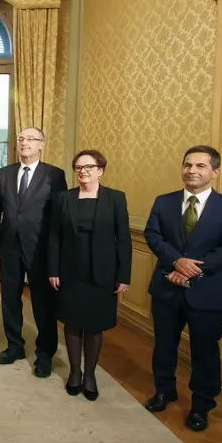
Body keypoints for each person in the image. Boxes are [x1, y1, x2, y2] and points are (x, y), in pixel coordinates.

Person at [143, 145, 222, 431]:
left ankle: (201, 405)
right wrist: (176, 261)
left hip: (208, 292)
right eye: (188, 165)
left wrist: (193, 268)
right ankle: (164, 391)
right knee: (164, 345)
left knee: (205, 350)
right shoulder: (164, 202)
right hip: (166, 287)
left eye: (201, 166)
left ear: (215, 172)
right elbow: (153, 235)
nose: (192, 171)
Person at [48, 150, 131, 401]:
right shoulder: (64, 198)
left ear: (100, 171)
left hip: (103, 273)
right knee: (72, 323)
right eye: (79, 167)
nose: (83, 171)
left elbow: (123, 239)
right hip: (70, 271)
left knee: (95, 325)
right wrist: (53, 269)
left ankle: (90, 375)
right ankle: (75, 372)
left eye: (89, 167)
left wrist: (123, 275)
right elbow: (54, 236)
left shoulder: (116, 198)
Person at [0, 126, 67, 378]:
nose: (24, 142)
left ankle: (45, 353)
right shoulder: (5, 173)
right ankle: (15, 346)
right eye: (21, 138)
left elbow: (58, 218)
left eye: (31, 139)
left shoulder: (54, 175)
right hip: (9, 248)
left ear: (41, 145)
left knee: (43, 303)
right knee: (10, 300)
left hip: (40, 250)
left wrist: (56, 254)